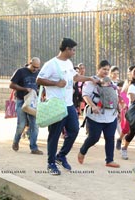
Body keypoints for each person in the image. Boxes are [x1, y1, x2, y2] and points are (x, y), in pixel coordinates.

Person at [36, 38, 96, 175]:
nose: (74, 52)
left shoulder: (68, 63)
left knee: (74, 130)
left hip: (68, 105)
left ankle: (61, 155)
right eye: (73, 50)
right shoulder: (51, 64)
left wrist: (90, 79)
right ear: (67, 49)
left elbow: (75, 77)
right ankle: (51, 163)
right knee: (54, 135)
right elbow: (38, 79)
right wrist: (56, 83)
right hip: (56, 105)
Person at [78, 60, 120, 168]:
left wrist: (118, 108)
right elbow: (85, 95)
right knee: (94, 138)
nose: (106, 71)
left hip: (111, 115)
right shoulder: (91, 81)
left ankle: (109, 160)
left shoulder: (111, 82)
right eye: (104, 69)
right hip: (96, 115)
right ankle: (83, 151)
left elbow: (114, 96)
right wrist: (93, 106)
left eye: (107, 69)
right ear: (98, 69)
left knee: (110, 137)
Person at [10, 57, 43, 155]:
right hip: (21, 101)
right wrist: (25, 89)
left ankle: (34, 148)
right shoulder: (20, 72)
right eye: (34, 67)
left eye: (37, 67)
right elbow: (11, 85)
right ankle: (16, 141)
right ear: (30, 63)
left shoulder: (39, 73)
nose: (35, 69)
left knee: (35, 125)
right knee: (21, 124)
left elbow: (41, 87)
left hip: (33, 103)